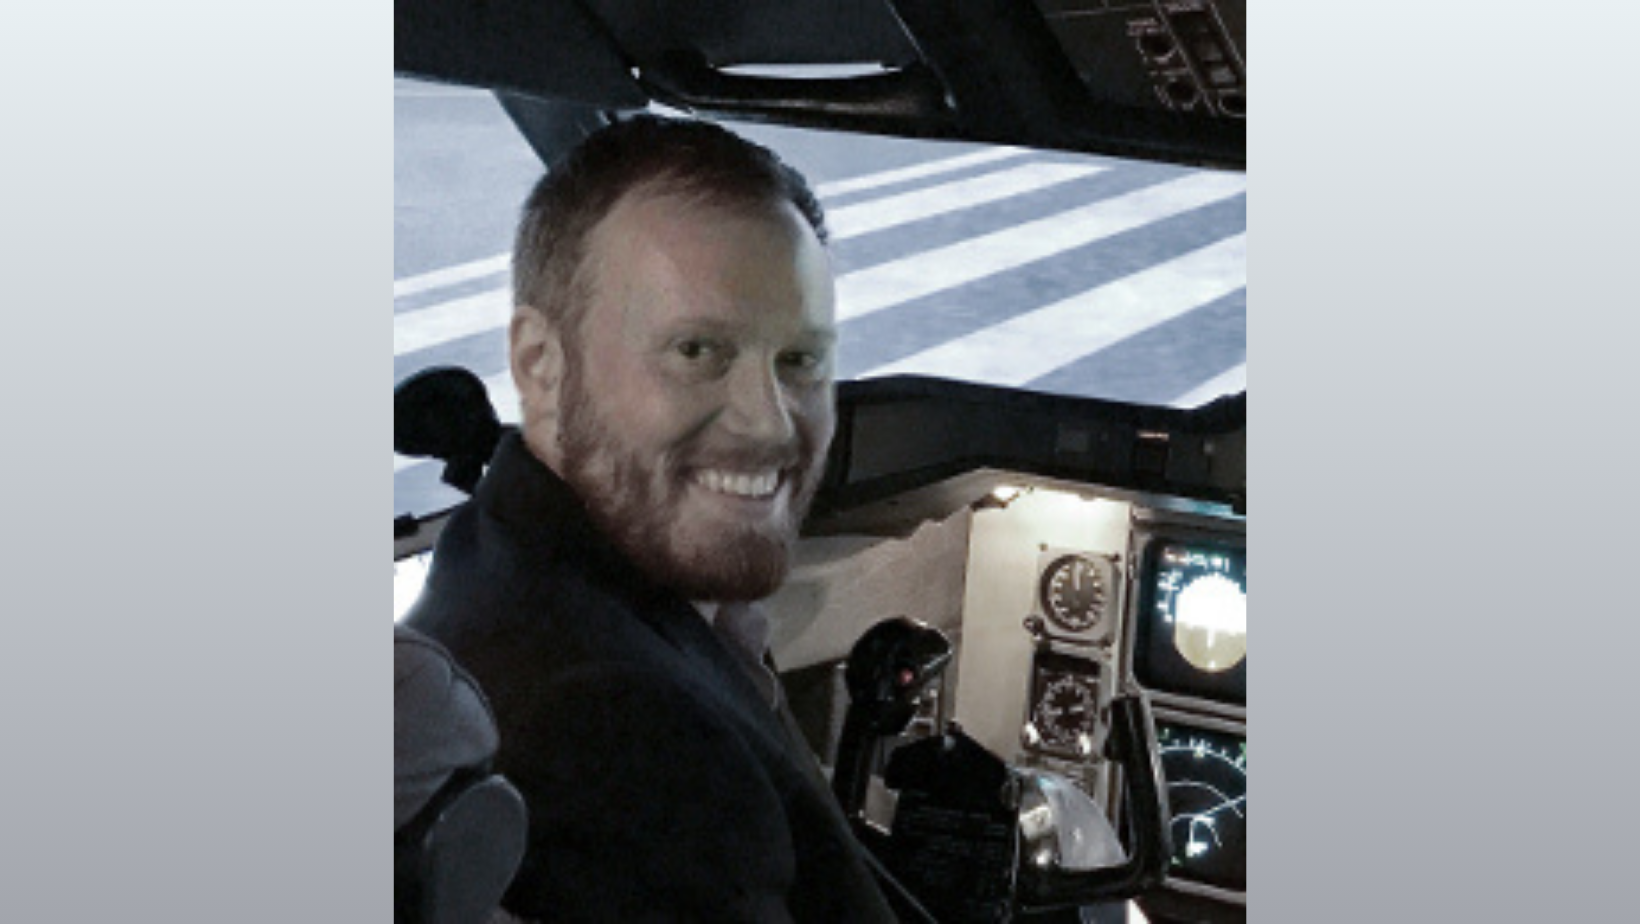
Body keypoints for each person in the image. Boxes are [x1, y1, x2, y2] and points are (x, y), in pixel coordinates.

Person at [404, 115, 899, 922]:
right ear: (540, 364)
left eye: (800, 361)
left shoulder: (497, 557)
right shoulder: (626, 737)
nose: (770, 424)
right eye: (698, 352)